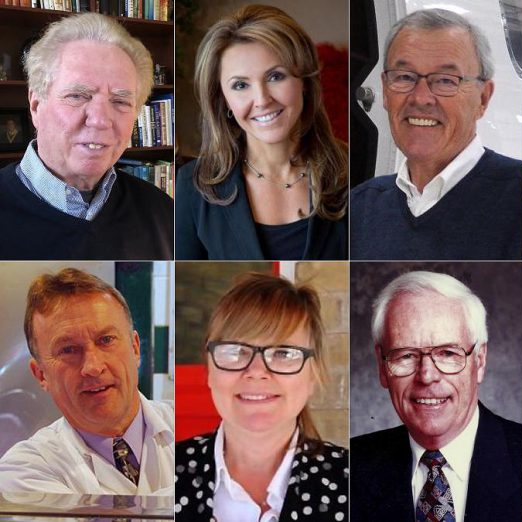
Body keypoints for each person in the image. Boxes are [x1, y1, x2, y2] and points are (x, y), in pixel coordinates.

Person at [176, 5, 348, 260]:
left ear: (304, 82)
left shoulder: (353, 171)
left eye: (276, 76)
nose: (262, 99)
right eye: (241, 85)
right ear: (223, 100)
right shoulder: (193, 186)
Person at [350, 9, 522, 261]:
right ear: (385, 92)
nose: (421, 97)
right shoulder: (359, 207)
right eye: (405, 77)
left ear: (483, 98)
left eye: (445, 80)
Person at [175, 273, 348, 521]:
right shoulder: (167, 472)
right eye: (236, 351)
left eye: (283, 353)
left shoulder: (353, 479)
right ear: (209, 370)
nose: (257, 371)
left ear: (313, 374)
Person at [0, 13, 173, 261]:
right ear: (36, 105)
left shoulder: (163, 211)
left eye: (121, 101)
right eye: (77, 96)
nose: (101, 120)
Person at [351, 271, 522, 521]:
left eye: (448, 353)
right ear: (382, 366)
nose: (427, 375)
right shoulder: (352, 468)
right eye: (406, 355)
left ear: (480, 360)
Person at [0, 268, 174, 495]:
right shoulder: (23, 471)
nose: (93, 367)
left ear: (135, 348)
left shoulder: (192, 428)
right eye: (68, 350)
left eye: (106, 340)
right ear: (41, 375)